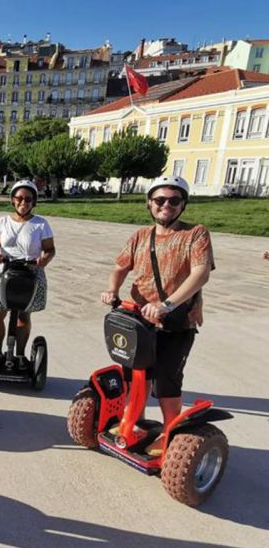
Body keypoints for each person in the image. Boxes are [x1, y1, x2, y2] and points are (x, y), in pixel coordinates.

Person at [100, 176, 214, 438]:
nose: (166, 205)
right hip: (139, 320)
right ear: (149, 203)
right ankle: (135, 423)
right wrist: (112, 291)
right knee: (134, 375)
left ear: (182, 204)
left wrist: (167, 305)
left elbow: (201, 274)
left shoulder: (195, 233)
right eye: (159, 200)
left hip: (176, 322)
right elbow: (119, 267)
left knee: (166, 382)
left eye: (174, 200)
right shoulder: (141, 235)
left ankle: (170, 434)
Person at [0, 180, 55, 368]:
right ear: (12, 200)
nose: (23, 202)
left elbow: (50, 249)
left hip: (30, 272)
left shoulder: (41, 224)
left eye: (28, 199)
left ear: (34, 202)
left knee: (23, 316)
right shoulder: (2, 221)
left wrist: (43, 260)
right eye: (19, 198)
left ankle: (21, 355)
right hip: (6, 270)